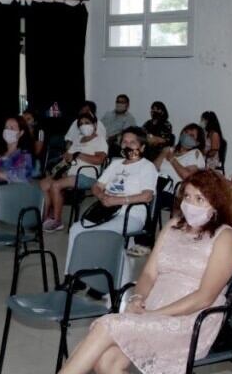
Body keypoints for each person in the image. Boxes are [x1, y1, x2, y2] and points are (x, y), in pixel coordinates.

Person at [0, 170, 232, 374]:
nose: (191, 203)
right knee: (106, 362)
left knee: (108, 323)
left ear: (216, 202)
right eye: (187, 196)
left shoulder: (225, 238)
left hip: (191, 321)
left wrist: (156, 314)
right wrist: (139, 298)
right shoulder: (174, 225)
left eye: (200, 198)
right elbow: (149, 273)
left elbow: (203, 297)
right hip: (155, 309)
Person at [65, 127, 158, 284]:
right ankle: (72, 275)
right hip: (106, 210)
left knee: (95, 234)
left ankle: (97, 279)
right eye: (124, 142)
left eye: (132, 142)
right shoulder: (116, 164)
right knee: (76, 229)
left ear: (142, 147)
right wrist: (102, 196)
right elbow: (97, 185)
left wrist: (118, 200)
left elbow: (147, 195)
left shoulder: (147, 166)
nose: (127, 145)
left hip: (131, 214)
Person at [40, 112, 108, 232]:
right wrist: (61, 167)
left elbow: (99, 160)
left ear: (95, 125)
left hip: (87, 175)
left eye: (87, 123)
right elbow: (68, 157)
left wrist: (79, 154)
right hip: (70, 173)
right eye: (81, 124)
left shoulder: (100, 140)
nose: (84, 126)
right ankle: (44, 218)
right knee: (44, 183)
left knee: (56, 185)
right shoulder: (77, 139)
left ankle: (57, 221)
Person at [156, 123, 207, 206]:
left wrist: (172, 160)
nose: (187, 136)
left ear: (197, 142)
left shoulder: (195, 154)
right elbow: (152, 169)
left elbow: (188, 176)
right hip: (157, 186)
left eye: (191, 135)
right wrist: (162, 154)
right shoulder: (170, 150)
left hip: (174, 192)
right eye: (186, 132)